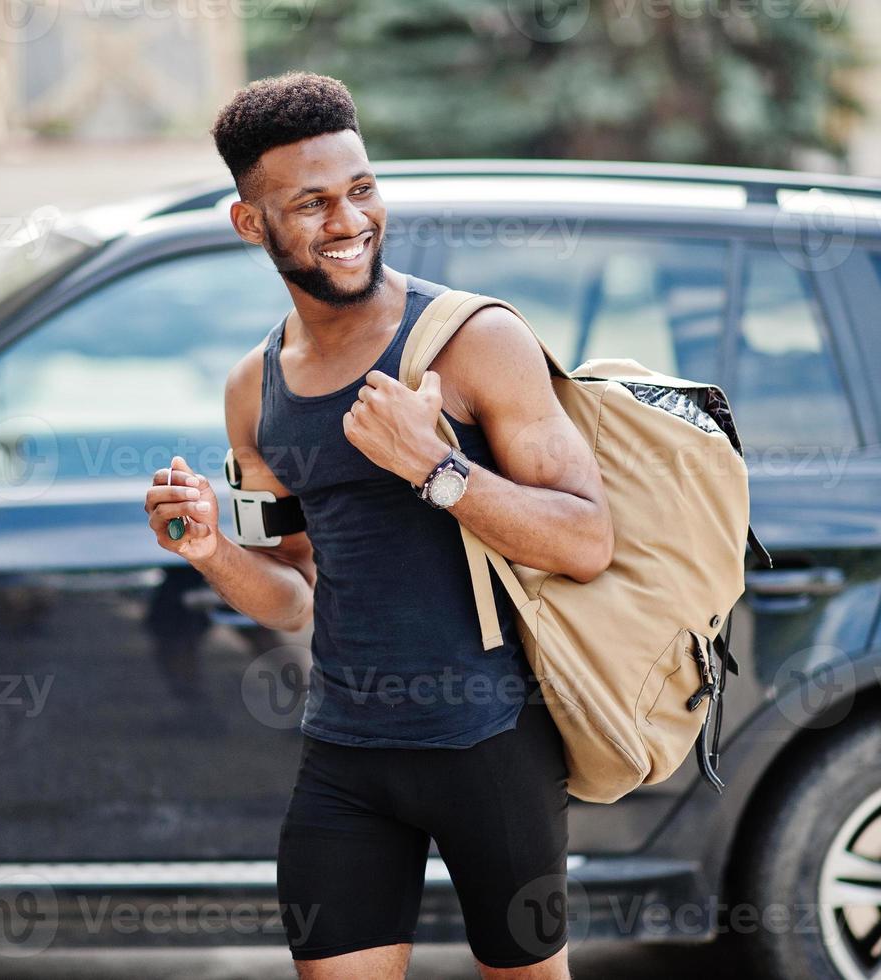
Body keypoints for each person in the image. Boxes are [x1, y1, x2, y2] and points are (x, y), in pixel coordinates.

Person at [143, 71, 613, 980]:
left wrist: (434, 469)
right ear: (252, 224)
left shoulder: (476, 341)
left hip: (489, 747)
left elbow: (586, 540)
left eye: (360, 190)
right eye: (311, 203)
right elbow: (289, 596)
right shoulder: (256, 389)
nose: (348, 220)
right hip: (346, 755)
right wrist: (207, 549)